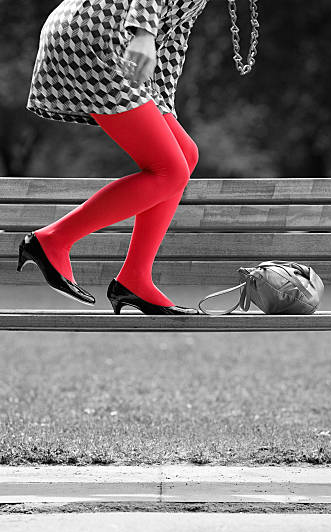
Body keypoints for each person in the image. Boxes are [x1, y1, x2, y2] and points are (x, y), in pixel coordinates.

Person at [18, 0, 209, 315]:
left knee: (184, 154)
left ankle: (135, 278)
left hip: (112, 37)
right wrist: (144, 32)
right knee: (169, 170)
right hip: (97, 35)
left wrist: (161, 102)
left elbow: (174, 32)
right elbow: (154, 21)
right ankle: (51, 241)